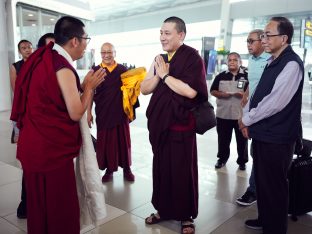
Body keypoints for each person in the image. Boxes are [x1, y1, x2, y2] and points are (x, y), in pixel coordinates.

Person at [10, 16, 105, 234]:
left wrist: (81, 87)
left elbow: (52, 98)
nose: (85, 45)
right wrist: (89, 88)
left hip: (32, 145)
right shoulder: (61, 66)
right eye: (85, 39)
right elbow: (74, 112)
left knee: (39, 206)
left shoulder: (43, 57)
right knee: (59, 207)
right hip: (50, 152)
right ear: (74, 41)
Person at [141, 16, 208, 234]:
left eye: (167, 33)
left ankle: (186, 215)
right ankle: (163, 209)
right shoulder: (159, 58)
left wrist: (166, 75)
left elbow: (191, 91)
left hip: (181, 126)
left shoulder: (192, 58)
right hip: (161, 125)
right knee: (161, 169)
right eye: (161, 32)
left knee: (181, 171)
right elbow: (144, 88)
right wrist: (159, 76)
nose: (162, 37)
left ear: (181, 35)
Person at [239, 17, 304, 234]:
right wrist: (246, 115)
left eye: (268, 35)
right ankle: (265, 220)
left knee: (275, 186)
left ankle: (275, 228)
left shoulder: (292, 64)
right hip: (263, 134)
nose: (263, 39)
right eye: (263, 35)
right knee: (262, 183)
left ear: (284, 38)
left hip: (278, 137)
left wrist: (247, 119)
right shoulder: (271, 60)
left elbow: (275, 102)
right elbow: (257, 94)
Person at [87, 42, 135, 182]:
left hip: (120, 113)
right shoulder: (95, 70)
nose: (106, 55)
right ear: (100, 54)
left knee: (123, 141)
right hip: (103, 112)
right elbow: (90, 92)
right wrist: (89, 112)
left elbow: (131, 91)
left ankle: (127, 168)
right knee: (105, 142)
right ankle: (109, 169)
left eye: (109, 52)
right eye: (103, 52)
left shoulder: (122, 69)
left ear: (115, 53)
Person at [236, 29, 271, 207]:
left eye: (252, 41)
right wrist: (246, 94)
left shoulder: (271, 60)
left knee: (263, 155)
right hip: (253, 112)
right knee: (256, 152)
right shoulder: (252, 60)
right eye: (247, 41)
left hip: (267, 114)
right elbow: (254, 82)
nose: (249, 44)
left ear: (262, 40)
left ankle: (255, 190)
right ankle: (255, 190)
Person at [210, 52, 248, 170]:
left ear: (240, 62)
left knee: (242, 140)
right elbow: (212, 91)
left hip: (240, 115)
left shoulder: (247, 76)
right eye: (230, 60)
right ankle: (222, 159)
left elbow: (253, 91)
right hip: (223, 114)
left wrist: (244, 95)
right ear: (227, 62)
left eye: (235, 60)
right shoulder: (220, 76)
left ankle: (242, 161)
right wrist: (222, 94)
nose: (232, 62)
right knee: (223, 139)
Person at [9, 39, 33, 219]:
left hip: (36, 113)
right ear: (19, 51)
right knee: (27, 158)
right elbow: (16, 91)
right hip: (24, 113)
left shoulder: (37, 63)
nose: (27, 50)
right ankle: (25, 202)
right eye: (23, 48)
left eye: (29, 47)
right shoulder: (16, 67)